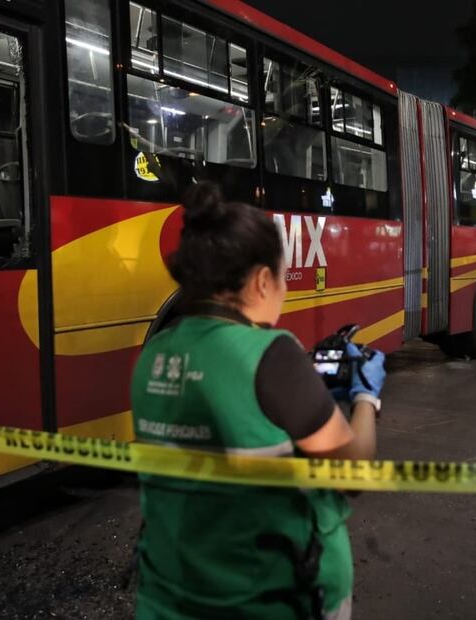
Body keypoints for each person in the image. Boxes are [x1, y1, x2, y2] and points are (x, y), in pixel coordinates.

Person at [130, 183, 384, 620]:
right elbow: (352, 472)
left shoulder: (155, 352)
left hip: (171, 597)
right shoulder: (272, 355)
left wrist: (305, 392)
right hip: (273, 599)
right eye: (283, 278)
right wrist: (365, 397)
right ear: (262, 280)